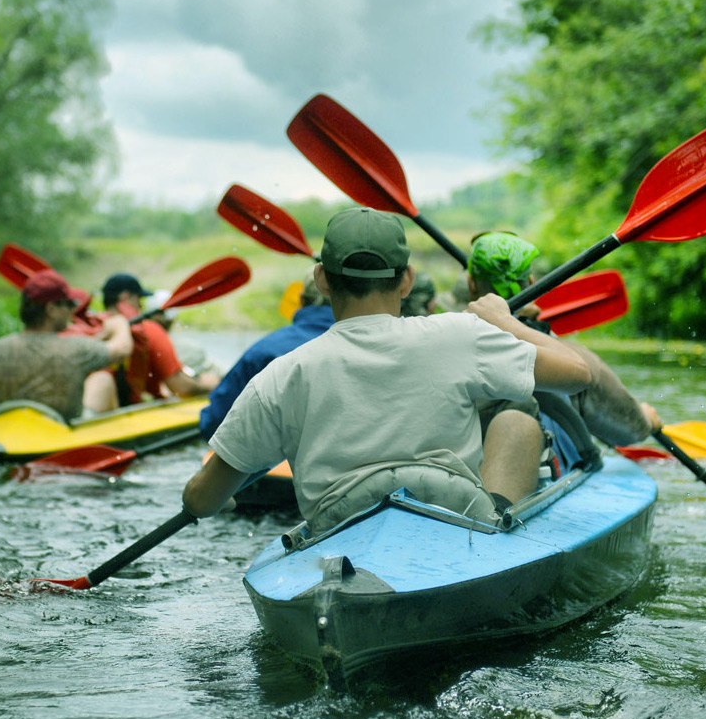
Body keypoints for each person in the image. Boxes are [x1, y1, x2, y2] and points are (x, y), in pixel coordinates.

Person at [182, 208, 592, 532]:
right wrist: (506, 322)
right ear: (407, 281)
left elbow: (201, 500)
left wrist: (218, 499)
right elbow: (578, 373)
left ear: (322, 280)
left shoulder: (283, 374)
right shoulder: (460, 334)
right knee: (517, 419)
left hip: (338, 529)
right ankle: (500, 525)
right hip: (456, 516)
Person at [466, 231, 663, 464]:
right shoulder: (570, 361)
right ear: (531, 283)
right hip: (538, 478)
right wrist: (647, 421)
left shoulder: (440, 337)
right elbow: (627, 431)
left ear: (471, 285)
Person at [0, 270, 133, 424]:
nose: (72, 310)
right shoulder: (78, 349)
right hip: (60, 443)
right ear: (51, 309)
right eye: (69, 304)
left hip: (8, 442)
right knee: (103, 380)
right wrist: (119, 322)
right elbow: (123, 349)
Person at [198, 274, 334, 440]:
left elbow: (216, 421)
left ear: (301, 300)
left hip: (274, 459)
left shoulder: (264, 350)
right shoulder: (368, 347)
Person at [102, 273, 220, 405]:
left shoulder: (92, 328)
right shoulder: (149, 330)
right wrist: (211, 383)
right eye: (139, 299)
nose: (141, 306)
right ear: (126, 297)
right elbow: (181, 388)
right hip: (131, 414)